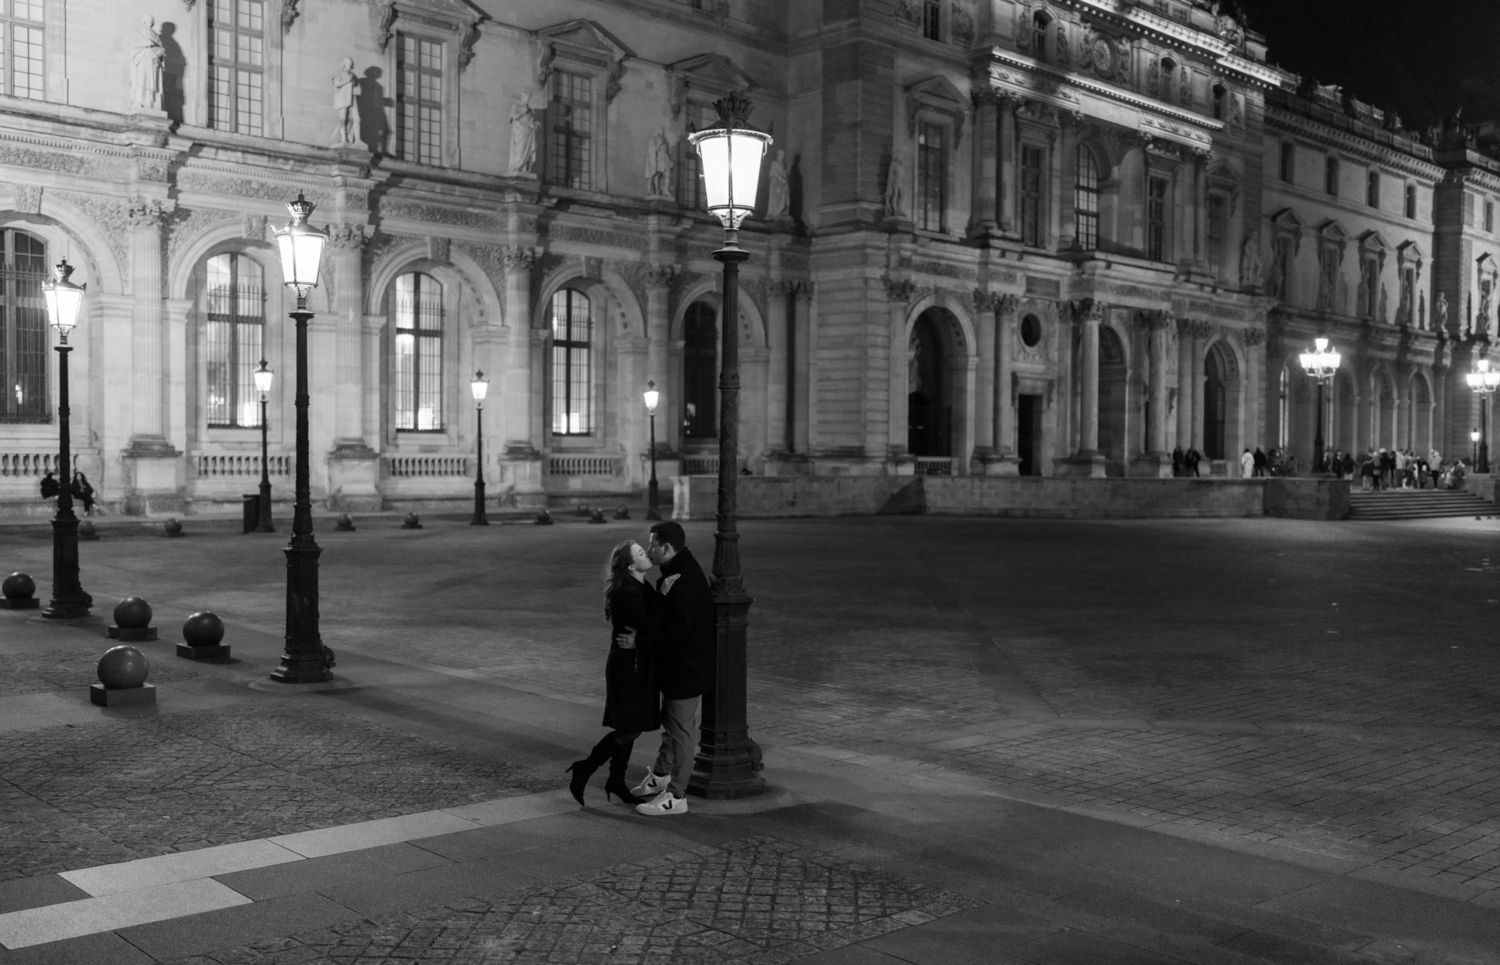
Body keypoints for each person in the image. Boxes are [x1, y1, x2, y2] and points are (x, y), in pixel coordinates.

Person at [624, 520, 714, 816]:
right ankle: (662, 775)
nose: (649, 549)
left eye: (652, 544)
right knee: (673, 727)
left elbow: (678, 633)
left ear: (666, 547)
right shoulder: (675, 573)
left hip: (686, 668)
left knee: (682, 733)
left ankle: (676, 796)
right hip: (679, 666)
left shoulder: (683, 580)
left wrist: (641, 642)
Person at [566, 541, 660, 807]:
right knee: (630, 728)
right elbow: (648, 625)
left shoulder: (640, 586)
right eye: (641, 553)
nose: (647, 554)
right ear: (630, 565)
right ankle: (586, 767)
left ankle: (616, 780)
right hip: (627, 667)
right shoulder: (628, 591)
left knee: (630, 726)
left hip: (633, 663)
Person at [130, 15, 164, 111]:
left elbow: (162, 49)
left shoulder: (156, 36)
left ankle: (150, 103)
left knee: (152, 82)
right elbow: (135, 44)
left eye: (151, 20)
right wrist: (146, 44)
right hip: (142, 59)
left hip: (153, 62)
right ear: (144, 21)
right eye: (147, 20)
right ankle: (139, 101)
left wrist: (157, 54)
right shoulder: (138, 33)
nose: (149, 21)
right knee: (142, 79)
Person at [508, 93, 538, 176]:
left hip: (527, 131)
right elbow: (514, 117)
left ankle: (524, 168)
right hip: (519, 131)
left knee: (527, 151)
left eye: (529, 98)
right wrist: (522, 112)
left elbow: (531, 122)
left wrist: (535, 125)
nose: (527, 100)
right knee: (520, 149)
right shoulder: (516, 106)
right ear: (523, 97)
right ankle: (517, 167)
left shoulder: (530, 110)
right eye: (526, 98)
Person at [333, 58, 359, 145]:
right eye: (348, 63)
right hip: (342, 99)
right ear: (344, 64)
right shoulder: (339, 73)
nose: (350, 65)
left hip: (351, 99)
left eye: (350, 63)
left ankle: (351, 138)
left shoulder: (353, 76)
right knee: (342, 118)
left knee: (352, 119)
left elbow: (355, 88)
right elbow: (336, 85)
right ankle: (343, 138)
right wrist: (347, 80)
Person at [766, 149, 789, 219]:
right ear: (779, 155)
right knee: (775, 198)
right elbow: (774, 173)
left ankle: (780, 211)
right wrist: (782, 179)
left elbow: (783, 173)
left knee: (783, 197)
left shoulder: (782, 164)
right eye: (782, 154)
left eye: (784, 155)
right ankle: (774, 212)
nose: (783, 156)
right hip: (775, 183)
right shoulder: (774, 163)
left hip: (781, 184)